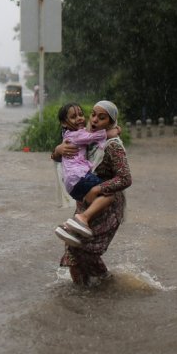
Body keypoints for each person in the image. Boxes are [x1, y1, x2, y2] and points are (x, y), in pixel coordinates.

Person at [51, 100, 132, 286]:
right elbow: (64, 158)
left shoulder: (113, 146)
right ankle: (80, 294)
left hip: (106, 203)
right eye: (93, 115)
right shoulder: (88, 136)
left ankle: (107, 287)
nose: (94, 120)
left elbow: (126, 179)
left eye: (101, 118)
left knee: (86, 250)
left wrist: (98, 188)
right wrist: (57, 151)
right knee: (72, 247)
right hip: (85, 200)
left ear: (111, 122)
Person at [52, 103, 119, 247]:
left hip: (74, 183)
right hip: (80, 178)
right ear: (64, 122)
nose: (80, 119)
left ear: (111, 121)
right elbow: (91, 137)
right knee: (109, 194)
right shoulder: (81, 134)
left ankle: (67, 227)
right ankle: (83, 218)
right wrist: (110, 133)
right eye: (73, 116)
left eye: (81, 114)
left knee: (87, 209)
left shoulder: (76, 133)